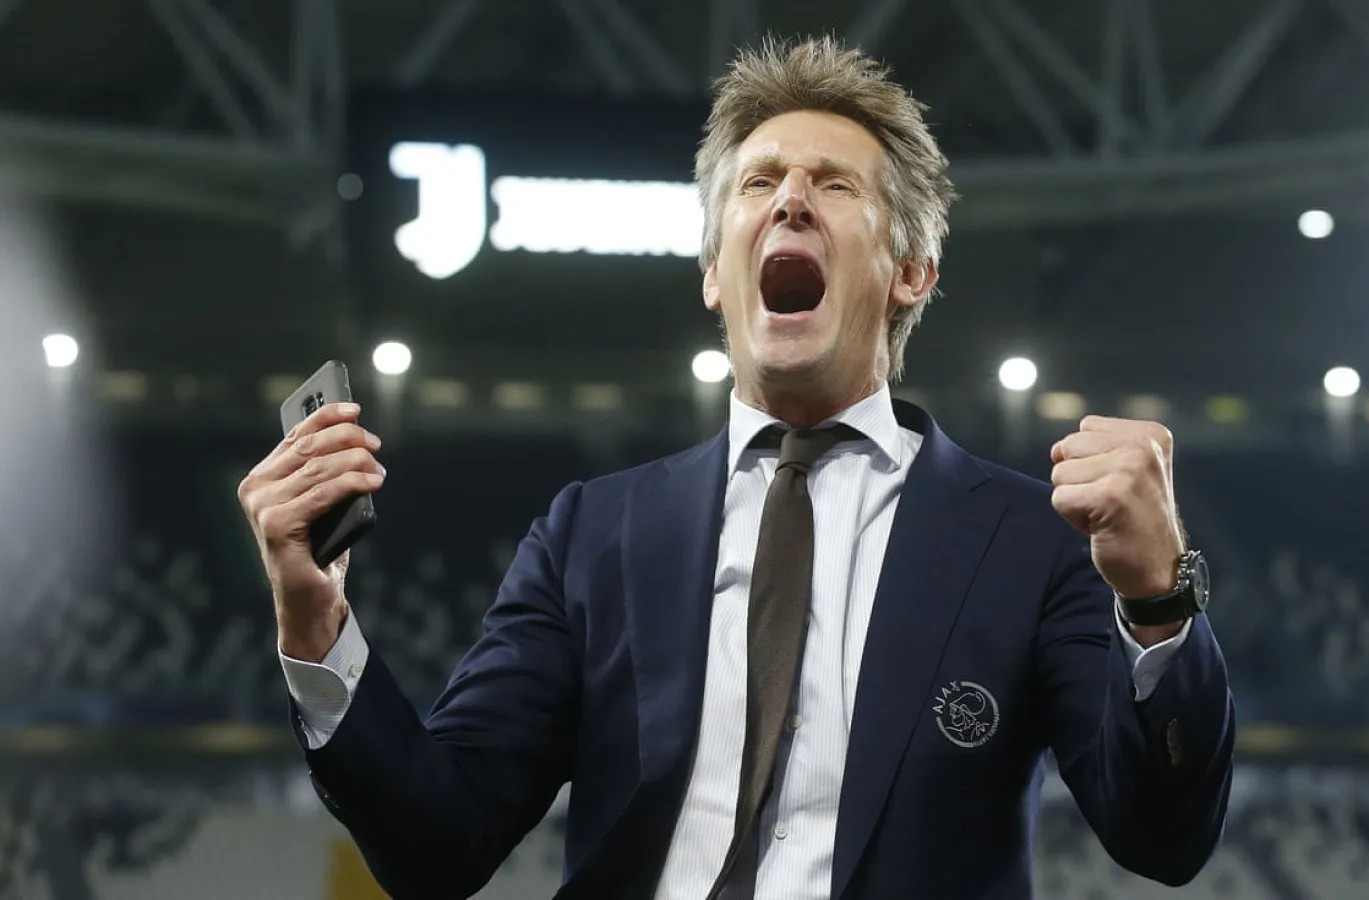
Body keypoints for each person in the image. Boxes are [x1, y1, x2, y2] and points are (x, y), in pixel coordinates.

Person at [237, 35, 1234, 900]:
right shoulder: (593, 533)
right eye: (759, 183)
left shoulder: (1029, 538)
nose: (791, 200)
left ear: (911, 271)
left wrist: (1157, 606)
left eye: (835, 184)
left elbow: (1162, 839)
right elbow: (436, 845)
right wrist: (315, 627)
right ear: (716, 270)